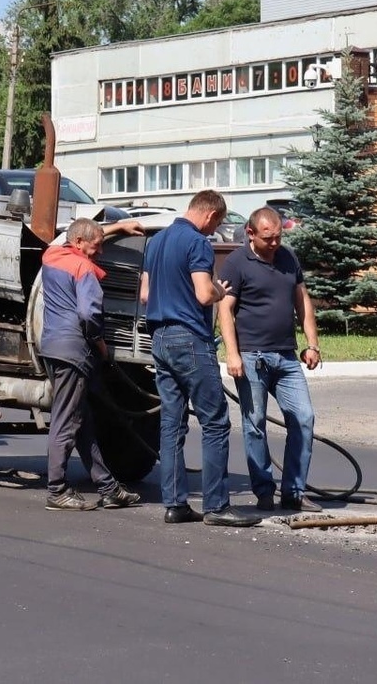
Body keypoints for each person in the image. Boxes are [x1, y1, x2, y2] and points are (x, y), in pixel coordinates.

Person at [140, 190, 261, 528]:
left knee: (171, 424)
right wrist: (220, 291)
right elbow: (204, 293)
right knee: (215, 421)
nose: (214, 231)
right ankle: (217, 506)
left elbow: (145, 294)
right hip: (189, 339)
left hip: (160, 338)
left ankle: (175, 504)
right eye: (217, 224)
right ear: (210, 216)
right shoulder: (197, 243)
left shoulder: (157, 241)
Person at [217, 206, 323, 513]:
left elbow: (302, 300)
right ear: (251, 233)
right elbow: (225, 309)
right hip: (252, 357)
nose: (274, 243)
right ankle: (264, 491)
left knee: (303, 418)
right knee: (255, 425)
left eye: (278, 236)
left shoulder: (288, 257)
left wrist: (312, 344)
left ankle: (294, 490)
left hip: (287, 357)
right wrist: (232, 353)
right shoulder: (237, 262)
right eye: (268, 238)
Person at [40, 217, 146, 511]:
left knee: (82, 420)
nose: (100, 252)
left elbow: (66, 234)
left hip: (51, 347)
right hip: (74, 350)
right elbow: (89, 315)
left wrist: (116, 227)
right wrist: (101, 346)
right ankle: (57, 490)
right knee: (66, 421)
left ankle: (108, 487)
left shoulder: (52, 256)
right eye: (97, 246)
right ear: (78, 244)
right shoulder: (83, 268)